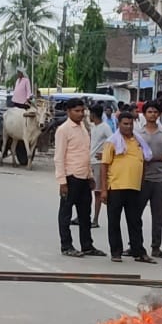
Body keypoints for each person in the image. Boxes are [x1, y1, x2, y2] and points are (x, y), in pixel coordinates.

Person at [98, 109, 153, 263]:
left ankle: (138, 251)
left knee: (135, 221)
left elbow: (143, 164)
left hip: (134, 188)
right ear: (119, 124)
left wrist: (141, 183)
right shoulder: (112, 142)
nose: (128, 127)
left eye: (130, 124)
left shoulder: (138, 142)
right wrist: (103, 189)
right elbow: (104, 166)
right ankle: (116, 252)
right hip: (115, 187)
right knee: (114, 221)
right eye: (125, 124)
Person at [52, 101, 100, 257]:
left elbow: (85, 154)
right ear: (68, 111)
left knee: (85, 214)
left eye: (82, 111)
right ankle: (66, 246)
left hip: (84, 176)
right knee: (66, 213)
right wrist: (62, 181)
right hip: (71, 177)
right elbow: (59, 157)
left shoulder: (84, 128)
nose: (80, 114)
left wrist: (90, 176)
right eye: (77, 111)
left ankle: (87, 245)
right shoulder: (63, 130)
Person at [136, 103, 162, 260]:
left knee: (158, 216)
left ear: (159, 114)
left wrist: (154, 158)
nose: (152, 114)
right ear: (144, 114)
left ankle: (156, 247)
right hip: (141, 179)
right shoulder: (137, 133)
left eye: (155, 112)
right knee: (136, 214)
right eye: (149, 112)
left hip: (158, 179)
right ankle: (135, 245)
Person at [88, 103, 114, 228]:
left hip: (98, 163)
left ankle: (95, 219)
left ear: (93, 114)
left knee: (97, 192)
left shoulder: (105, 127)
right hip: (90, 161)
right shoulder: (92, 127)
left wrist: (104, 154)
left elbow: (112, 142)